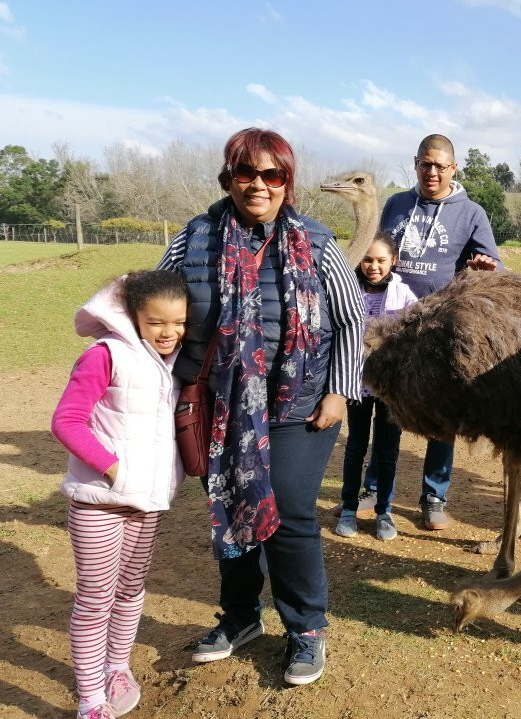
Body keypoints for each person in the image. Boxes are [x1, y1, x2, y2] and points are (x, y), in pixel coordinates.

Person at [157, 128, 365, 686]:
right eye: (245, 173)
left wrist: (339, 390)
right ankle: (242, 617)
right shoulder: (193, 240)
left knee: (292, 511)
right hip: (220, 409)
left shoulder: (318, 244)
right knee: (231, 507)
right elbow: (157, 311)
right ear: (228, 179)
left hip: (300, 408)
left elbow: (350, 322)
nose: (258, 185)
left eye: (271, 175)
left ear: (286, 182)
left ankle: (306, 628)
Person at [52, 270, 188, 719]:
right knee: (95, 599)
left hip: (147, 502)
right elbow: (67, 421)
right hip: (100, 502)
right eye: (157, 323)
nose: (169, 333)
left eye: (179, 323)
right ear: (133, 316)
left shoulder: (169, 360)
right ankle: (90, 699)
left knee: (130, 591)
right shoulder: (104, 355)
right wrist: (112, 468)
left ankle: (117, 667)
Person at [367, 133, 502, 531]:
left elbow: (493, 262)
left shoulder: (471, 212)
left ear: (453, 169)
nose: (432, 172)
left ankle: (434, 496)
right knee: (387, 409)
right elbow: (377, 248)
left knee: (442, 415)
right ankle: (375, 490)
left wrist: (485, 266)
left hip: (442, 326)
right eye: (426, 164)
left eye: (440, 166)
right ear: (415, 163)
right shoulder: (396, 204)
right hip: (392, 323)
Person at [335, 232, 418, 542]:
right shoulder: (348, 291)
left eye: (381, 260)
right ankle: (347, 509)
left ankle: (384, 510)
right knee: (355, 445)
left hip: (389, 388)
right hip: (357, 384)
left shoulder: (405, 296)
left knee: (387, 450)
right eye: (368, 260)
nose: (373, 266)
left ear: (393, 261)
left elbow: (415, 334)